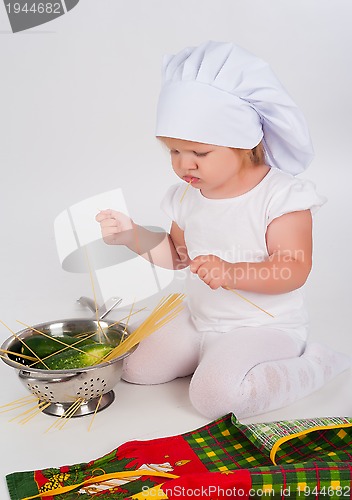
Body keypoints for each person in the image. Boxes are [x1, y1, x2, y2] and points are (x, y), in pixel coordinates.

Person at [96, 41, 351, 419]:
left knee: (213, 399)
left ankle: (314, 364)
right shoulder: (186, 197)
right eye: (174, 152)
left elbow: (293, 268)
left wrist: (231, 273)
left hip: (263, 326)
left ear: (245, 143)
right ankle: (210, 358)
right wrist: (132, 236)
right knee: (134, 369)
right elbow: (178, 255)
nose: (185, 165)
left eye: (199, 153)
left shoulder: (281, 197)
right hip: (201, 319)